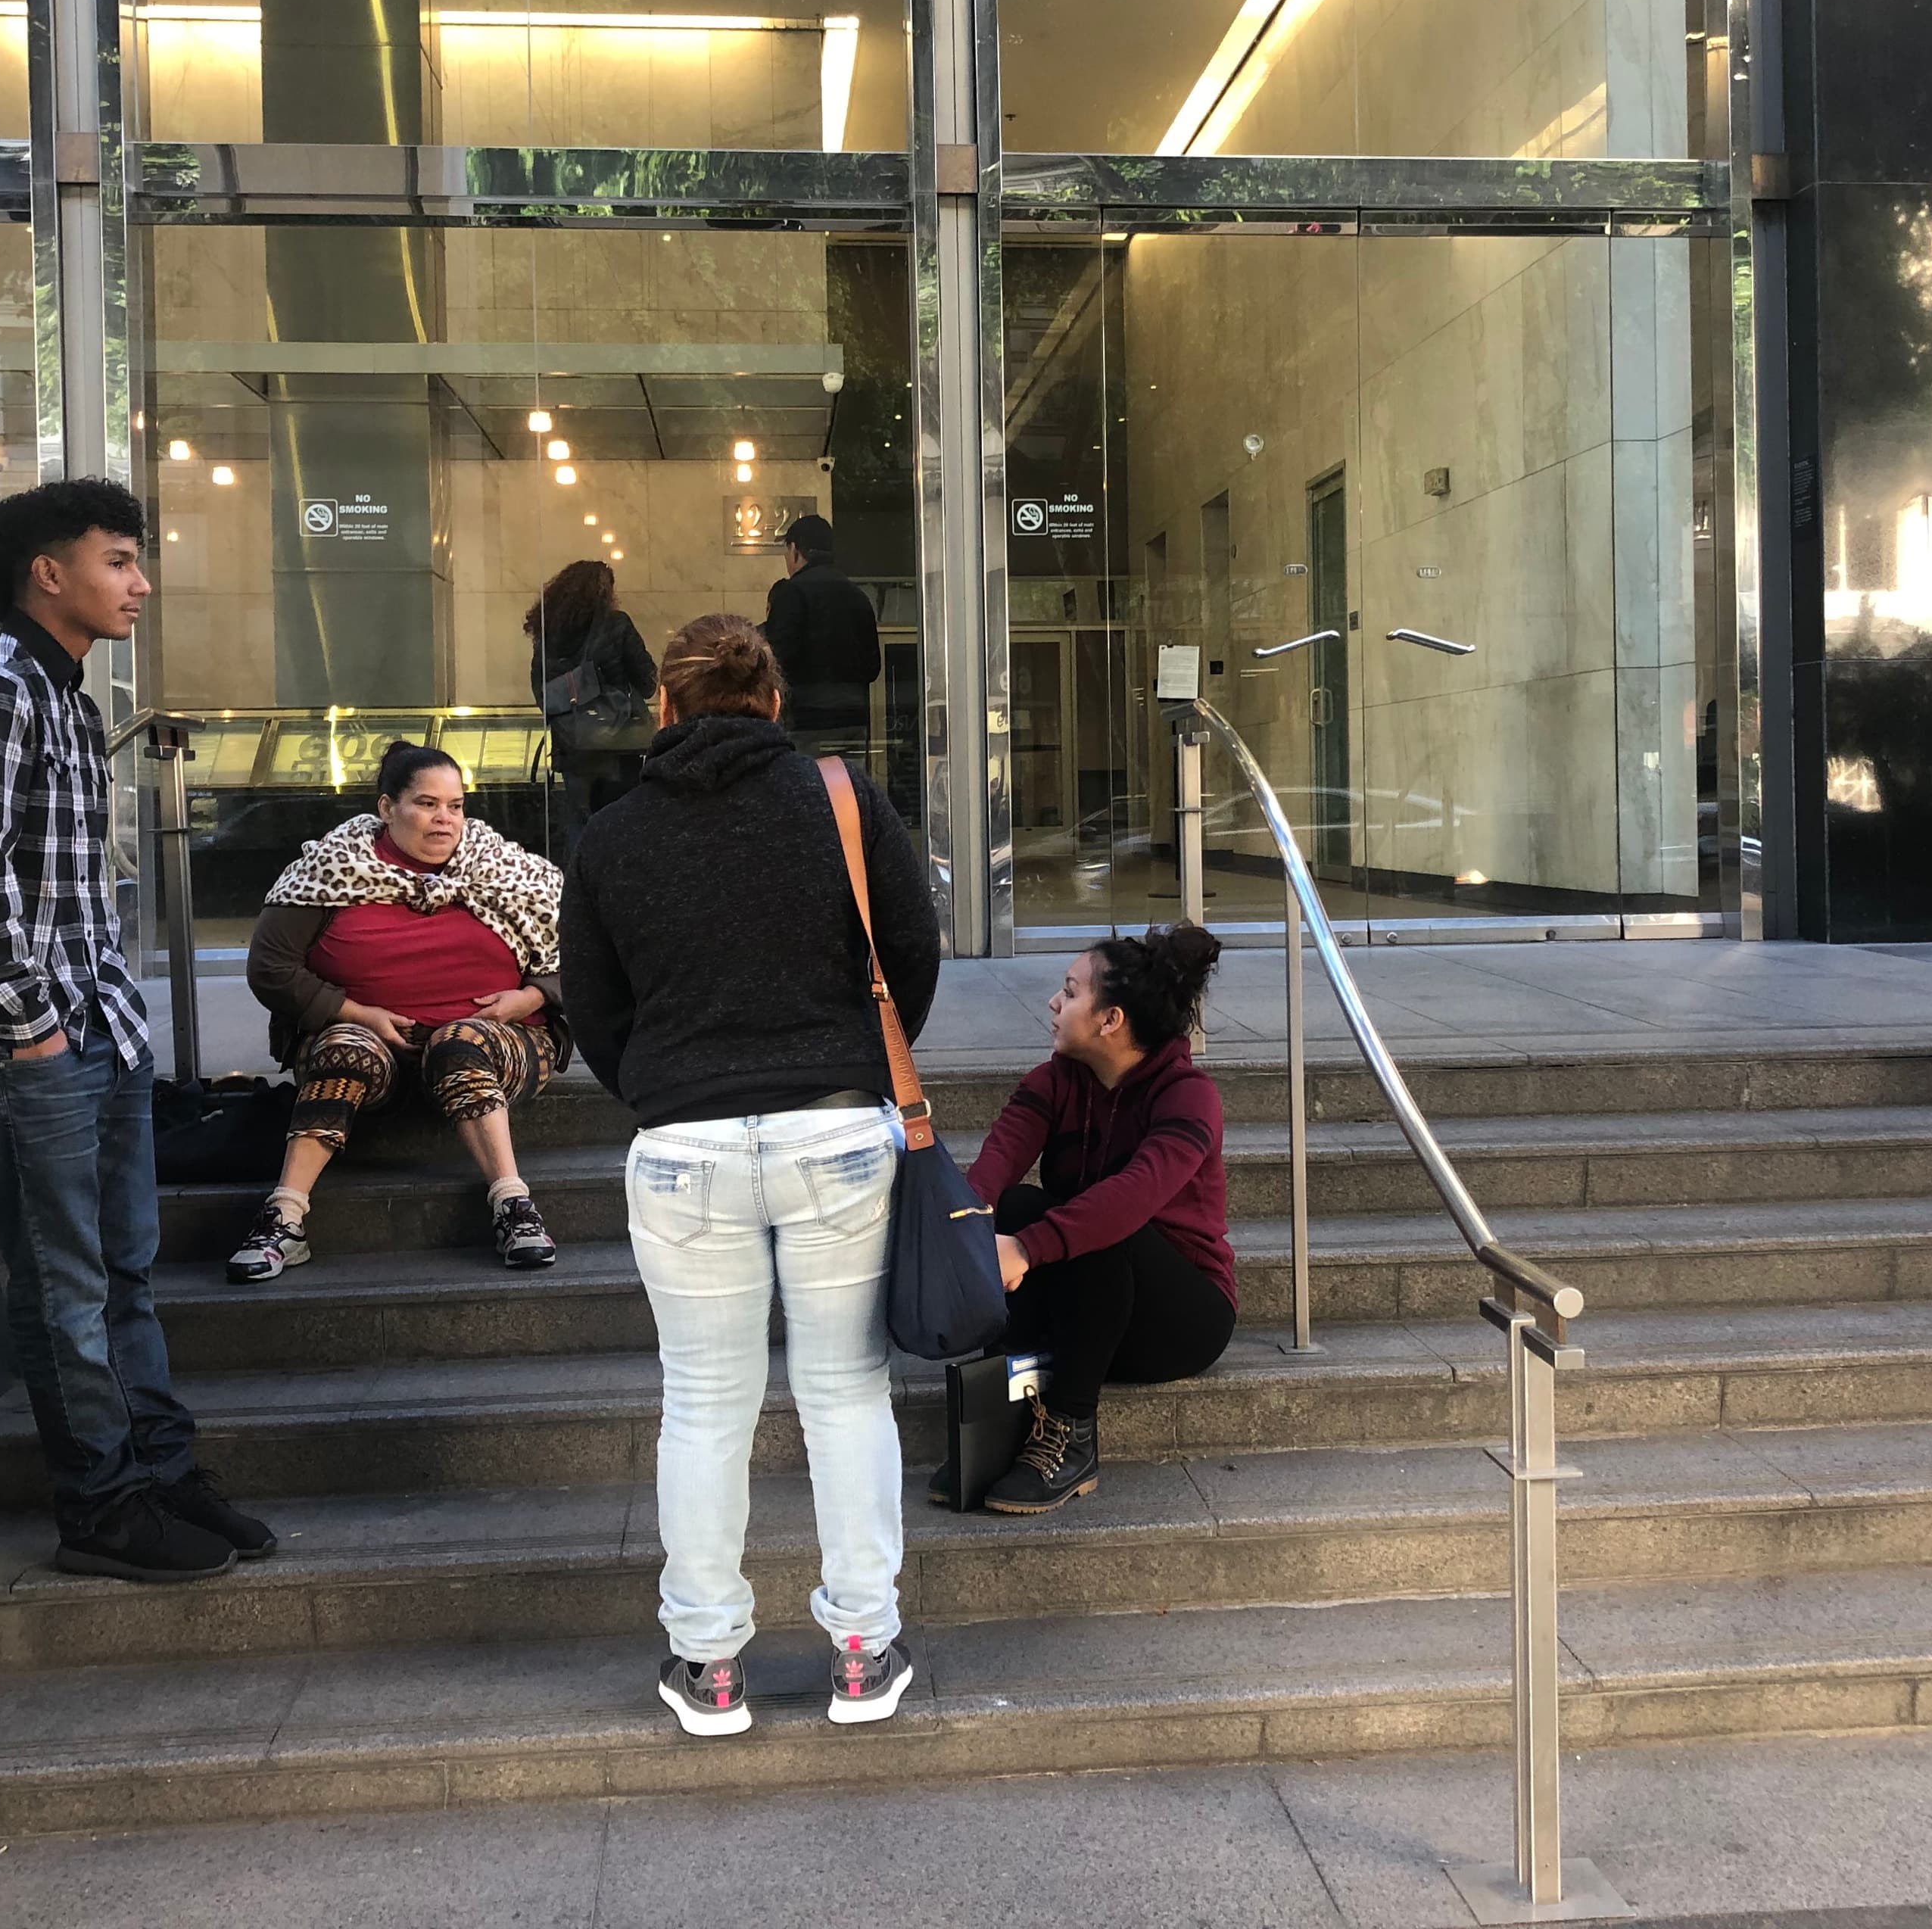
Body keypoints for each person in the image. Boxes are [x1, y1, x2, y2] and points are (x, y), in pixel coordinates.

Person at [561, 613, 940, 1737]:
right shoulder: (840, 800)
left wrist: (661, 1087)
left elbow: (592, 1003)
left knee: (704, 1410)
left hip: (684, 1145)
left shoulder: (615, 834)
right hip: (837, 1133)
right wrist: (851, 1063)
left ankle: (709, 1663)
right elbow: (910, 955)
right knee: (846, 1397)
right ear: (774, 703)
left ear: (664, 709)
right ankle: (864, 1651)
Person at [0, 478, 272, 1584]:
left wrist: (111, 1025)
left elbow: (66, 890)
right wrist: (35, 1035)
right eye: (118, 560)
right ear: (47, 573)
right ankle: (101, 1507)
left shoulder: (66, 699)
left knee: (123, 1272)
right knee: (64, 1284)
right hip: (23, 1042)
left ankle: (158, 1472)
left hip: (86, 1030)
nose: (140, 582)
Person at [230, 741, 572, 1282]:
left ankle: (514, 1207)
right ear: (387, 808)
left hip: (499, 1041)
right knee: (345, 1047)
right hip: (370, 1046)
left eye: (456, 805)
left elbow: (586, 954)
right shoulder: (330, 870)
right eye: (427, 804)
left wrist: (530, 997)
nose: (445, 819)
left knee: (460, 1042)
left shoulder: (508, 869)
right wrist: (357, 1013)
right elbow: (271, 967)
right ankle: (284, 1218)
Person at [958, 924, 1236, 1516]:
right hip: (1093, 1309)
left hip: (1178, 1322)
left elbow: (1133, 1196)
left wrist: (1027, 1251)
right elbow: (994, 1169)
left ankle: (1070, 1433)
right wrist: (960, 1225)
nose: (1055, 1004)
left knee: (1104, 1226)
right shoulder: (1055, 1082)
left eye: (1070, 991)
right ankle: (1001, 1417)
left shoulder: (1188, 1096)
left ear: (1110, 1020)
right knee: (1016, 1206)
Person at [526, 559, 658, 863]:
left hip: (575, 748)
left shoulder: (548, 633)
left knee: (579, 826)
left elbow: (543, 693)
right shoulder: (617, 624)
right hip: (622, 747)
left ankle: (579, 898)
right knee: (624, 825)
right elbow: (648, 682)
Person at [759, 513, 882, 760]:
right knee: (847, 792)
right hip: (852, 720)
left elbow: (777, 661)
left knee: (807, 793)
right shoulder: (858, 597)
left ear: (795, 550)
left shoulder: (791, 594)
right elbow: (872, 667)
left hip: (806, 722)